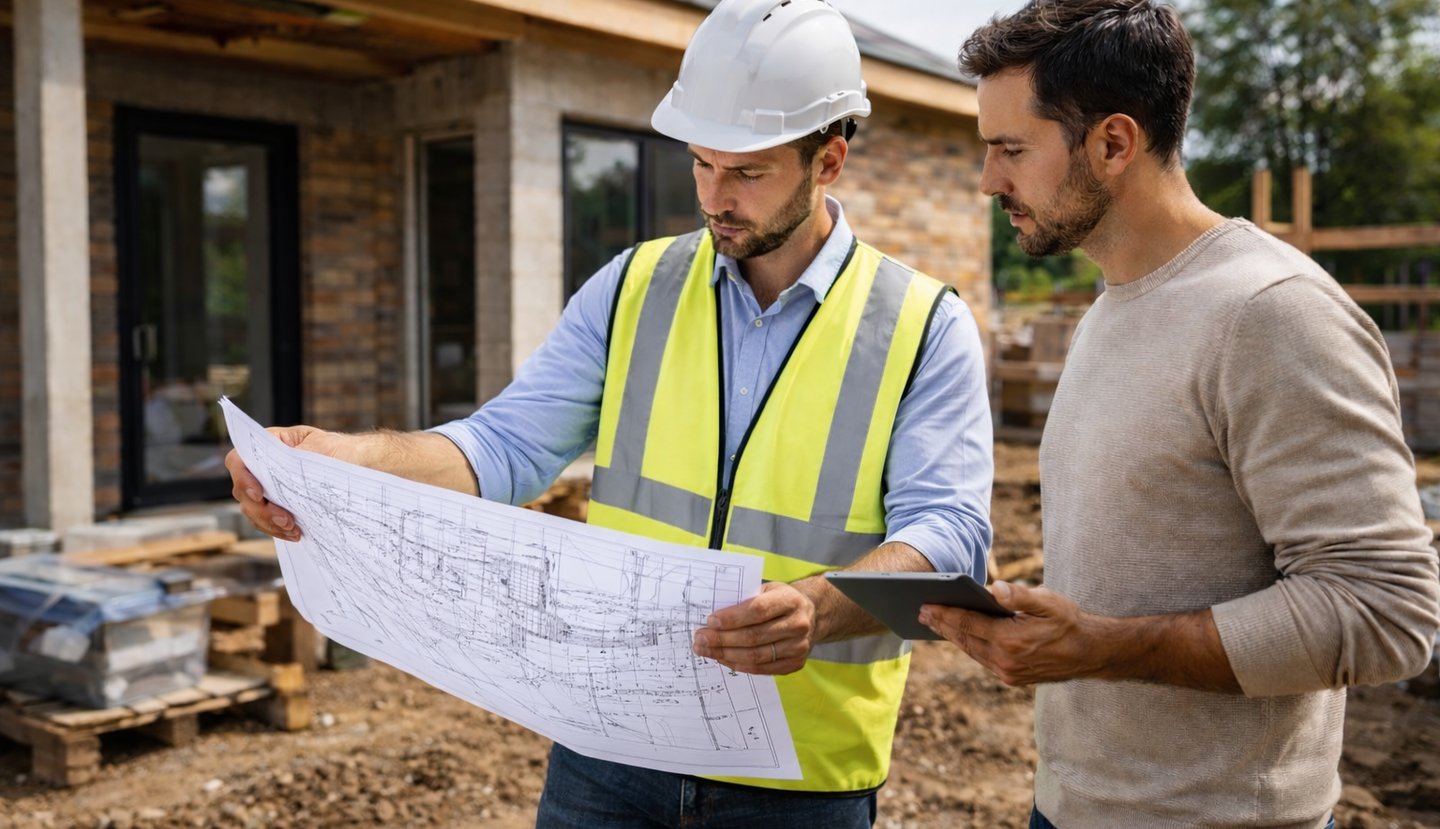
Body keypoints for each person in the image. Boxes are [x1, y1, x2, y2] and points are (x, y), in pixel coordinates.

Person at [226, 0, 994, 825]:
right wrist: (342, 459)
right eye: (701, 164)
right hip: (611, 749)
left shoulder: (921, 325)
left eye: (748, 173)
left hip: (802, 776)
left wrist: (817, 606)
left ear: (828, 161)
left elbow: (951, 535)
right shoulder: (634, 287)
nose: (715, 196)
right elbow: (504, 447)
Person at [919, 2, 1440, 827]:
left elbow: (1386, 610)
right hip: (1070, 808)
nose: (988, 181)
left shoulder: (1272, 314)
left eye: (1011, 149)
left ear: (1113, 144)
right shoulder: (1110, 309)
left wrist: (1102, 648)